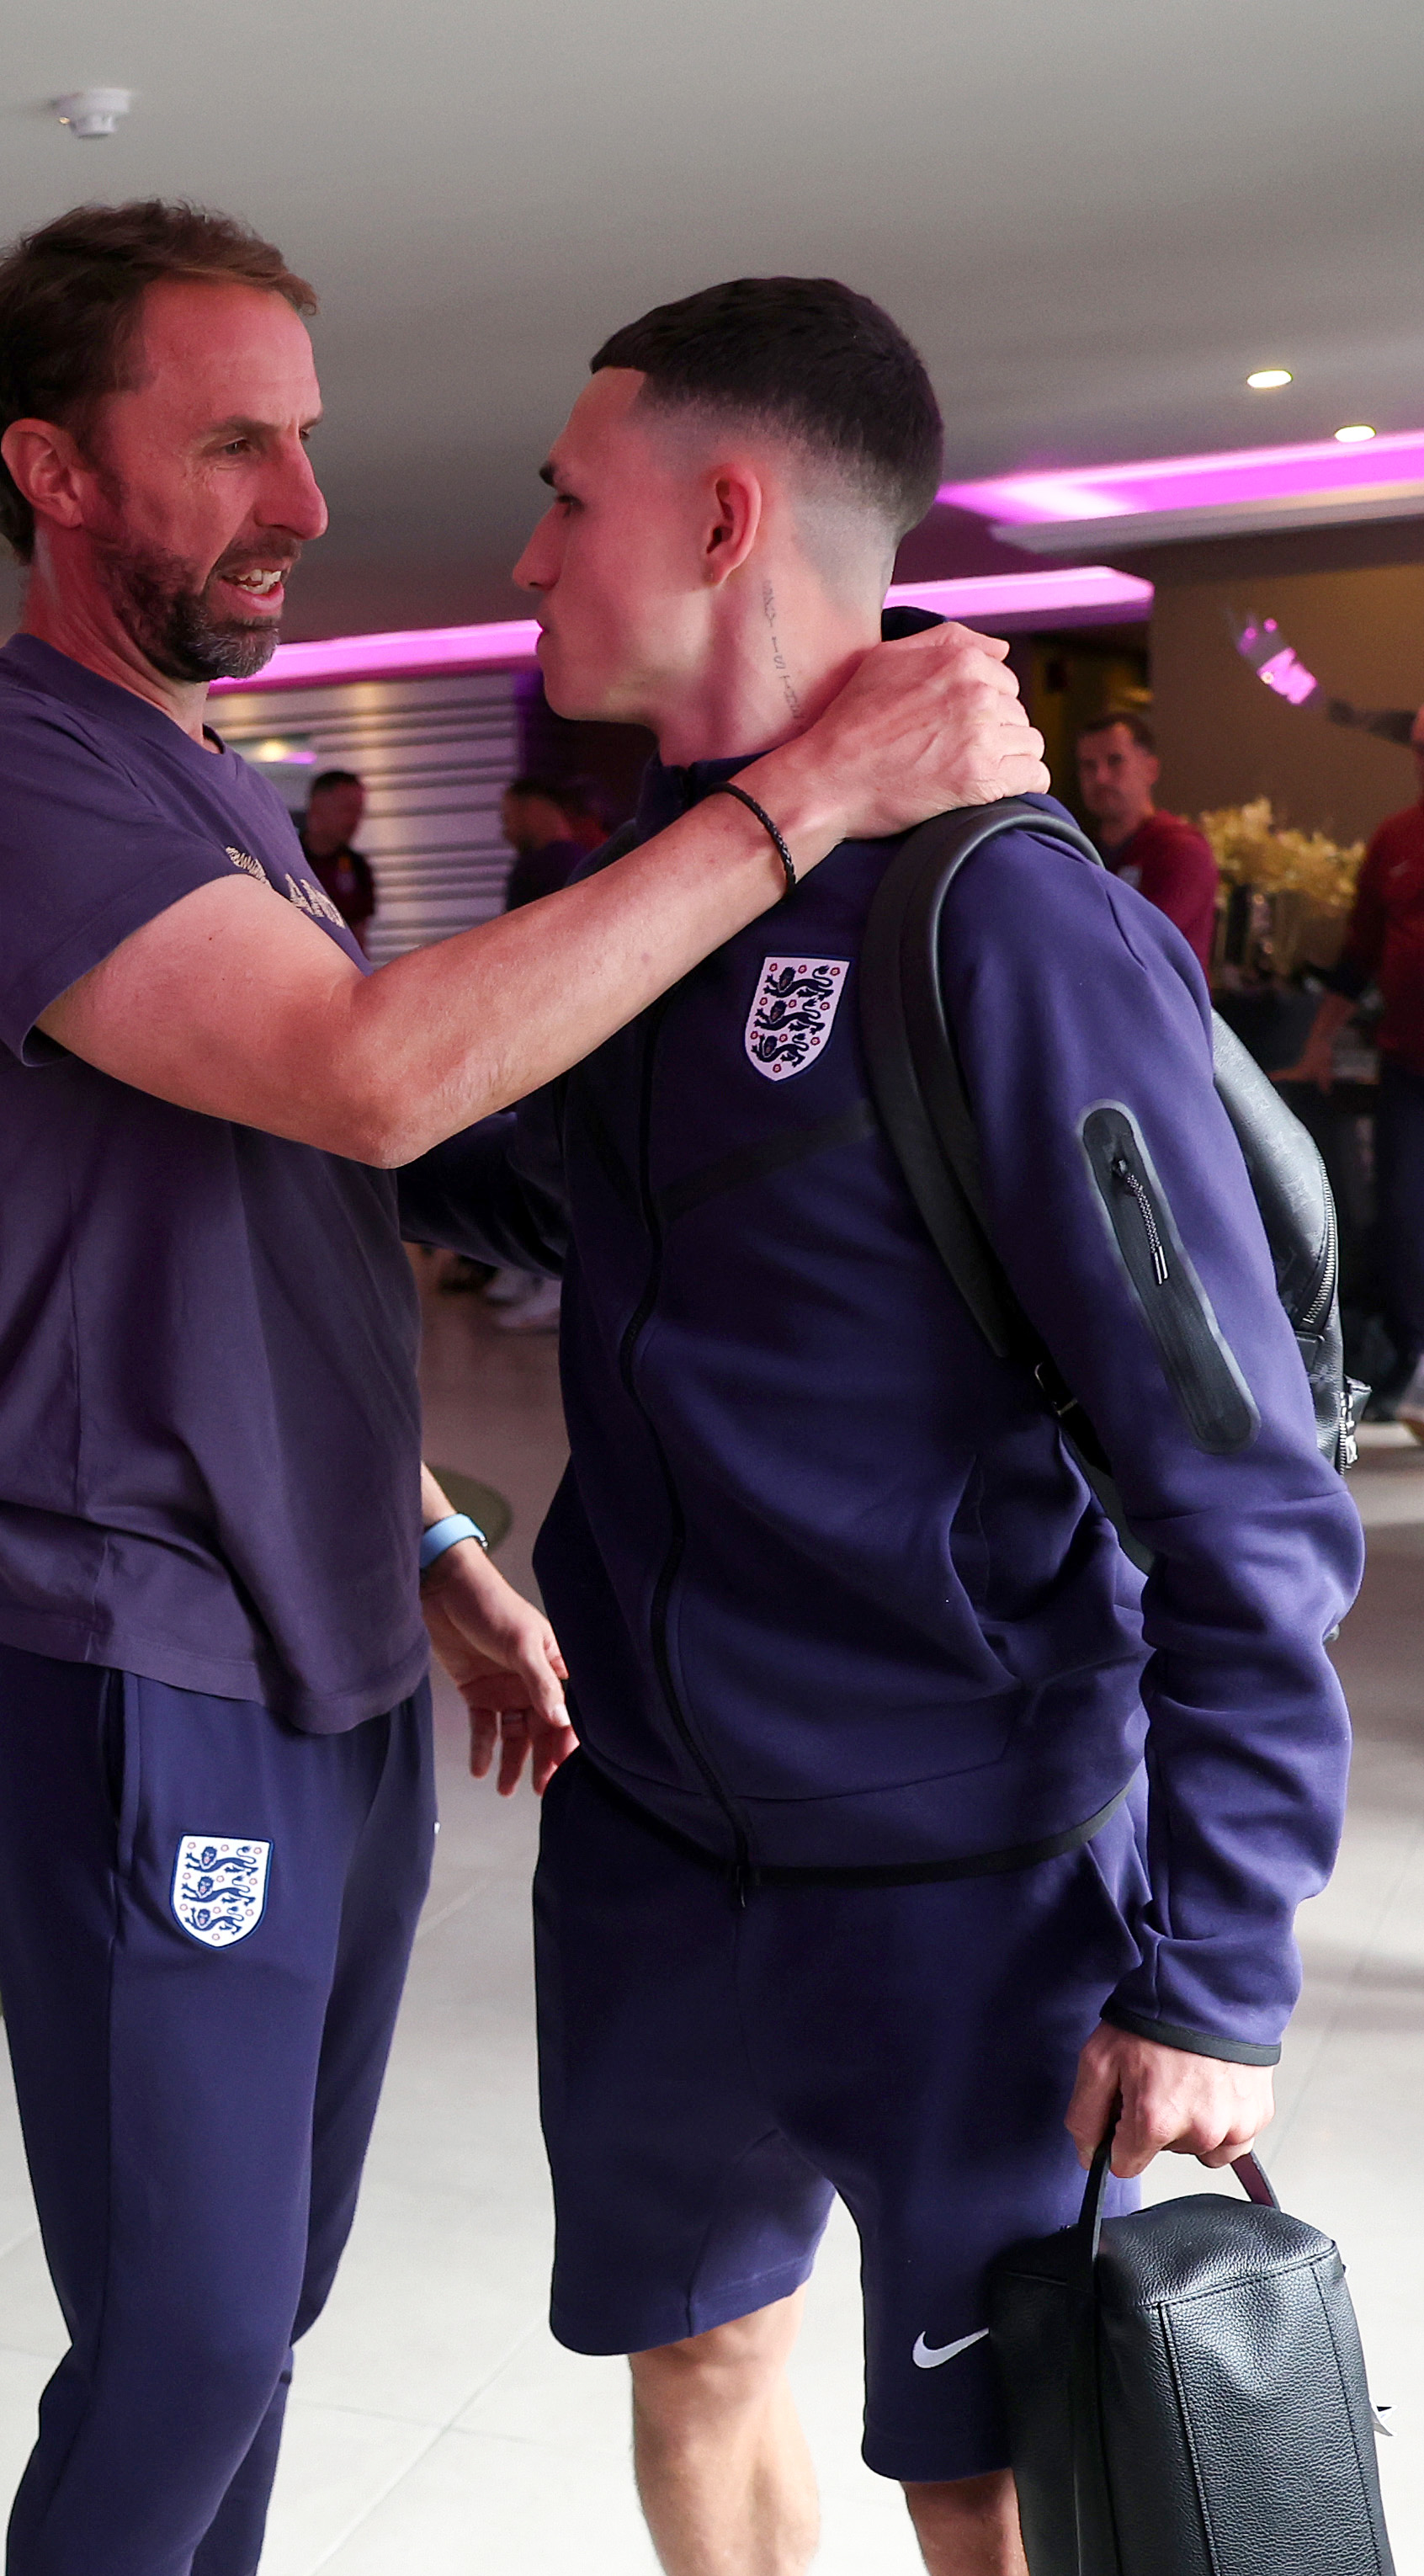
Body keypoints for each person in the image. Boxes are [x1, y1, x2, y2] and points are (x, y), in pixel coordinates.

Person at [0, 201, 1042, 2576]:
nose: (302, 501)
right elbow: (372, 1088)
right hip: (131, 1636)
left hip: (327, 1627)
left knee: (261, 2301)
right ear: (53, 472)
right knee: (181, 2333)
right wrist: (811, 788)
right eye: (232, 445)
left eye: (307, 436)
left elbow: (235, 1234)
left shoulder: (207, 783)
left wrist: (417, 1529)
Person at [401, 275, 1363, 2576]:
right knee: (700, 2357)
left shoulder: (1003, 923)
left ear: (724, 514)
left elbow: (1236, 1484)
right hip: (647, 1836)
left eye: (562, 501)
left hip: (964, 1873)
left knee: (984, 2470)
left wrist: (1215, 1963)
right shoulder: (610, 907)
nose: (525, 555)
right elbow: (430, 1147)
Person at [1280, 705, 1424, 1424]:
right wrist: (1318, 1044)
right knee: (1399, 1219)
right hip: (1408, 1065)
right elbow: (1358, 959)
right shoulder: (1396, 839)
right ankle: (1414, 1358)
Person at [1076, 711, 1220, 971]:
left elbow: (1140, 944)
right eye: (1089, 766)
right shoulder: (1078, 853)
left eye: (1115, 761)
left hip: (1163, 1009)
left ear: (1151, 769)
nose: (1100, 778)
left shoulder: (1181, 849)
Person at [298, 765, 376, 945]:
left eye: (359, 811)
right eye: (346, 809)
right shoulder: (287, 860)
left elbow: (359, 937)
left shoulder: (358, 867)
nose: (354, 821)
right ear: (317, 808)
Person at [501, 772, 583, 907]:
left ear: (531, 809)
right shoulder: (589, 859)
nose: (505, 833)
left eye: (507, 819)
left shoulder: (531, 871)